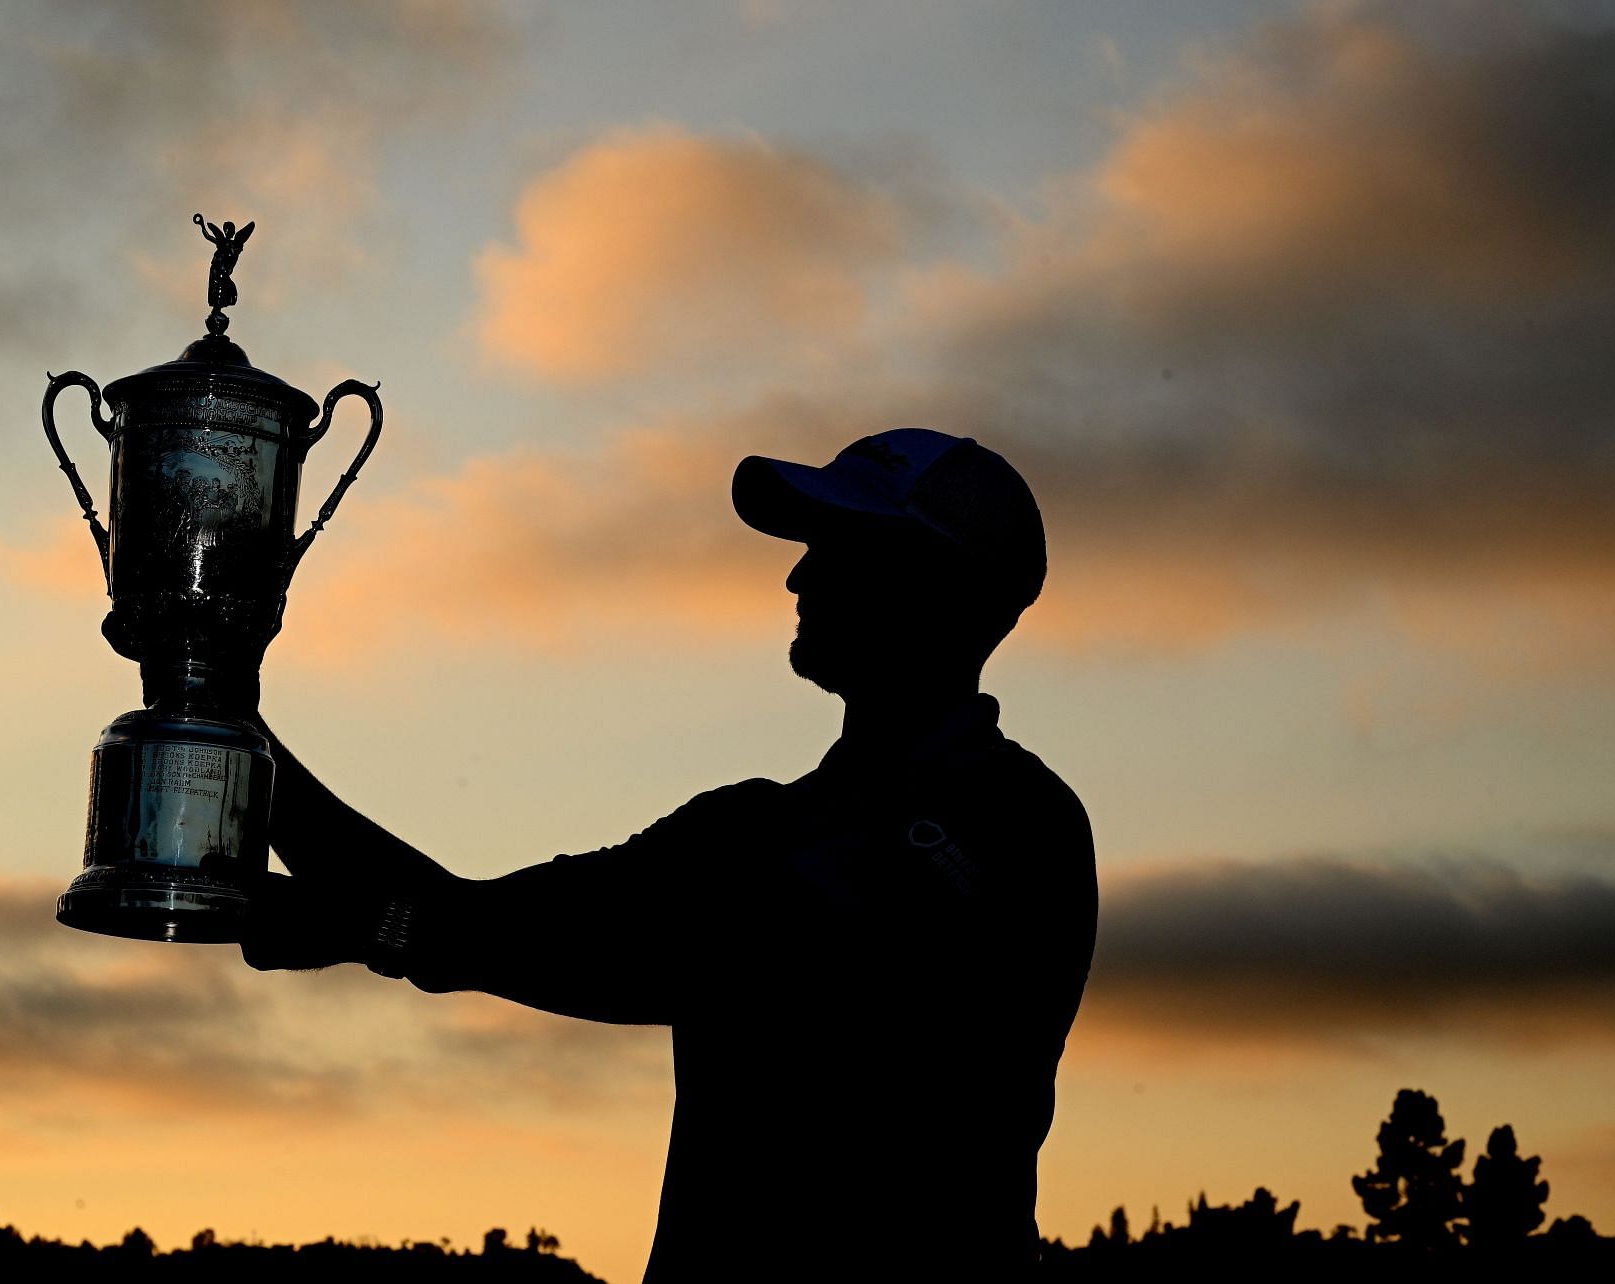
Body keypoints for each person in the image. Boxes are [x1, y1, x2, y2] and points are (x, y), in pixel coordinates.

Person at [242, 429, 1098, 1280]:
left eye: (837, 546)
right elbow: (475, 921)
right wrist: (218, 699)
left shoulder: (1019, 827)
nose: (798, 574)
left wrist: (381, 927)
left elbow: (675, 956)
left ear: (934, 586)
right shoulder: (745, 829)